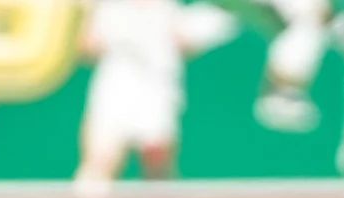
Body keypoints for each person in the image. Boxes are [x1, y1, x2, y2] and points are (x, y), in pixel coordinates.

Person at [76, 0, 235, 186]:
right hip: (114, 91)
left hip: (157, 92)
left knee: (157, 168)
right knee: (98, 162)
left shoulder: (167, 9)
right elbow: (88, 46)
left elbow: (184, 41)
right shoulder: (109, 8)